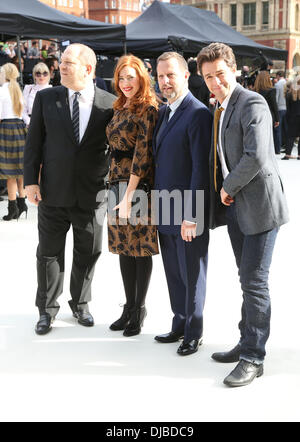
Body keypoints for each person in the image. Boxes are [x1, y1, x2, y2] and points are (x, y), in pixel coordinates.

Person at [197, 42, 289, 387]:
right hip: (236, 206)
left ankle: (254, 356)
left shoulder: (252, 102)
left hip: (261, 207)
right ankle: (245, 341)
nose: (215, 81)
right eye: (208, 76)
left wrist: (226, 187)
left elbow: (257, 156)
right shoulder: (220, 106)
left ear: (234, 70)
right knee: (245, 277)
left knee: (254, 280)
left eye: (220, 73)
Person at [24, 43, 116, 335]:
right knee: (48, 254)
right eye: (61, 62)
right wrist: (30, 181)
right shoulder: (47, 98)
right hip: (52, 192)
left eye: (67, 63)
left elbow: (118, 149)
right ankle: (47, 309)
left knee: (89, 252)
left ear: (88, 69)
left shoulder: (110, 103)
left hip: (92, 194)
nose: (60, 67)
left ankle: (80, 303)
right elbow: (34, 144)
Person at [153, 52, 212, 356]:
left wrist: (193, 215)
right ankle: (179, 321)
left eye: (171, 75)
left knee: (192, 271)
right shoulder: (165, 113)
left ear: (186, 76)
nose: (164, 81)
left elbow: (201, 168)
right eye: (161, 75)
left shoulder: (198, 113)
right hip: (164, 206)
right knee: (174, 271)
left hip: (188, 211)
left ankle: (194, 330)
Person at [106, 54, 159, 337]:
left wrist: (129, 195)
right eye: (122, 77)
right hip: (115, 182)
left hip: (137, 185)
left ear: (141, 78)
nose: (126, 83)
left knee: (140, 248)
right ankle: (128, 307)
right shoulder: (119, 106)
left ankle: (139, 309)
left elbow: (142, 153)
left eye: (131, 77)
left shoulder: (148, 108)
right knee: (123, 248)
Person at [0, 63, 28, 220]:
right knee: (19, 170)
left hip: (6, 129)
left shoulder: (2, 90)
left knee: (10, 172)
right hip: (19, 128)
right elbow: (22, 114)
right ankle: (22, 204)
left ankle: (13, 208)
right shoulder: (18, 90)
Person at [254, 70, 280, 147]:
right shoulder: (271, 91)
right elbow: (274, 105)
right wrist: (277, 119)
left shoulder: (255, 91)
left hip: (256, 115)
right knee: (268, 136)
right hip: (268, 115)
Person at [23, 62, 52, 127]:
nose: (42, 76)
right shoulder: (28, 89)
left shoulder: (52, 90)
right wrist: (29, 122)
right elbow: (23, 109)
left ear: (48, 75)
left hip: (47, 125)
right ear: (34, 75)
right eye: (38, 74)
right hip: (30, 125)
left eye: (45, 73)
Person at [282, 78, 300, 160]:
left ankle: (287, 154)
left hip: (292, 117)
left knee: (290, 136)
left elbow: (288, 109)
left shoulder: (289, 94)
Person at [274, 71, 287, 154]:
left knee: (277, 129)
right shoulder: (287, 83)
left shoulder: (277, 85)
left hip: (279, 108)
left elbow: (276, 98)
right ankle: (285, 146)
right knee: (285, 129)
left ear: (278, 76)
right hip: (287, 108)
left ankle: (277, 148)